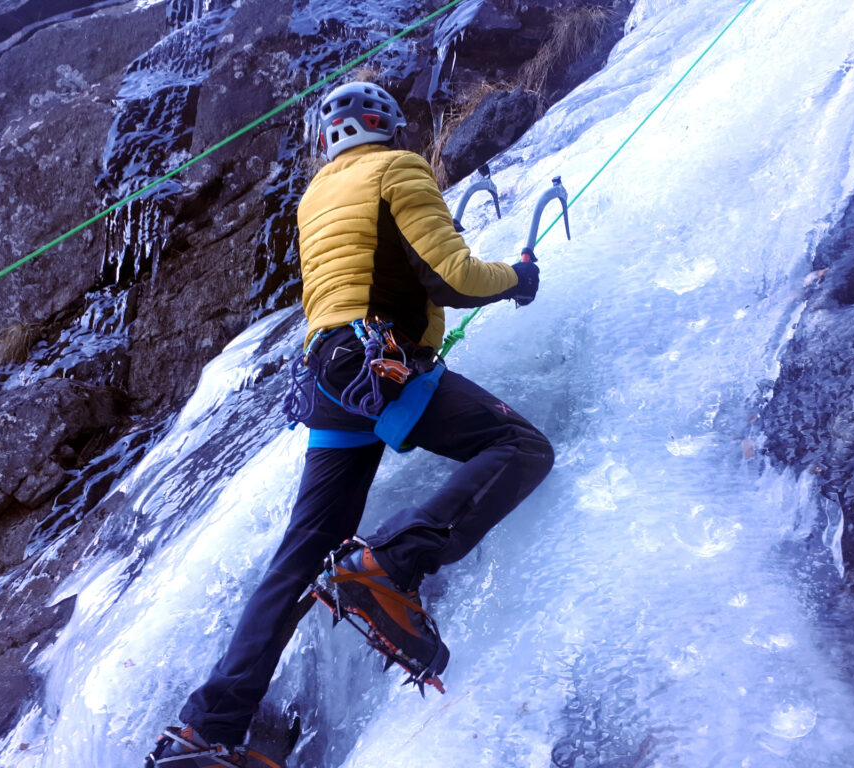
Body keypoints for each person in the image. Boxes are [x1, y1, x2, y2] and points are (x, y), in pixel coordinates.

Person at [146, 81, 554, 768]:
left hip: (330, 374)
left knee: (303, 552)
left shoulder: (316, 196)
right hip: (384, 360)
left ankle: (209, 727)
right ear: (388, 129)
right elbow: (450, 275)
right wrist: (515, 277)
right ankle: (391, 564)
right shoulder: (399, 168)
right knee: (520, 446)